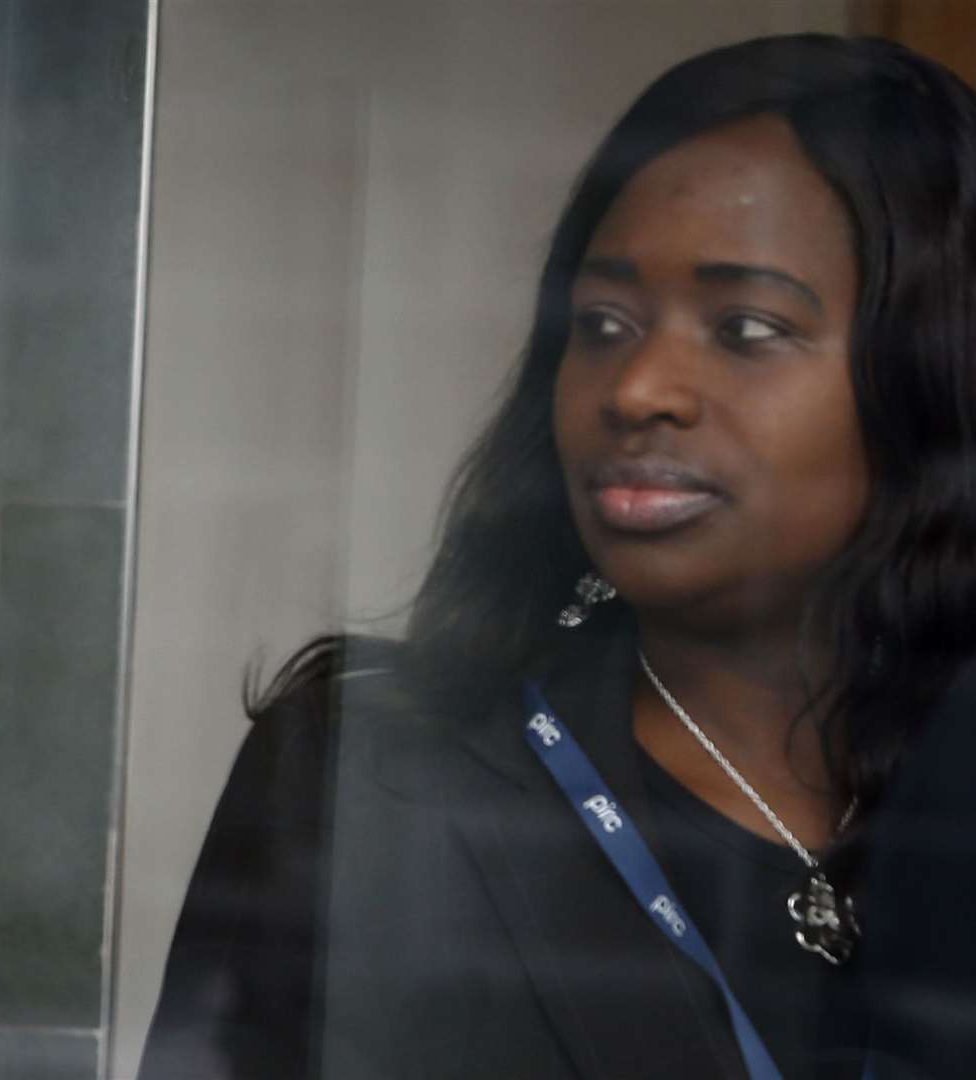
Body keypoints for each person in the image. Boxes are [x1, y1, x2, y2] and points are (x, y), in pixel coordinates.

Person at [139, 33, 976, 1080]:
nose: (637, 389)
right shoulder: (367, 781)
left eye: (747, 329)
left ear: (931, 375)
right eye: (605, 322)